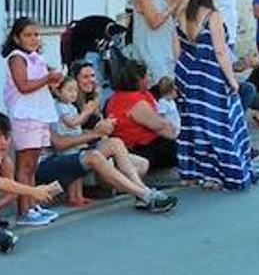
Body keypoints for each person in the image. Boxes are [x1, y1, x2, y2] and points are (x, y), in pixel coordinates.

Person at [176, 0, 259, 190]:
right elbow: (221, 51)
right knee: (221, 125)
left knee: (194, 125)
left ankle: (196, 173)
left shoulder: (182, 14)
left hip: (189, 76)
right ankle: (226, 174)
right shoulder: (213, 16)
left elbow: (177, 51)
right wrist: (232, 80)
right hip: (211, 76)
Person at [46, 79, 177, 212]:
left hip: (88, 148)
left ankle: (141, 191)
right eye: (85, 77)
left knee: (124, 150)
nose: (91, 80)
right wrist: (93, 131)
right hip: (71, 155)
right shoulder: (58, 107)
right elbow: (61, 143)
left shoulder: (79, 104)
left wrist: (98, 121)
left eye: (92, 76)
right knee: (95, 156)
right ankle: (144, 195)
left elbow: (93, 132)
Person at [0, 17, 63, 226]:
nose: (34, 38)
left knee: (33, 163)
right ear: (17, 38)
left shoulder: (36, 57)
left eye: (36, 34)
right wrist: (47, 78)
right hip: (25, 114)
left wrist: (55, 79)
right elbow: (23, 85)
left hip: (39, 112)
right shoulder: (17, 57)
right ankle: (24, 209)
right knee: (25, 163)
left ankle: (33, 203)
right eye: (28, 35)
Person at [105, 59, 179, 172]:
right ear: (139, 79)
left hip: (150, 142)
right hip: (139, 148)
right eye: (147, 75)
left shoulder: (143, 94)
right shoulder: (133, 100)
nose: (149, 78)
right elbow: (160, 126)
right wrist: (171, 128)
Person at [128, 0, 183, 83]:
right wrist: (173, 4)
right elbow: (154, 22)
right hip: (151, 52)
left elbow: (171, 17)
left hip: (165, 50)